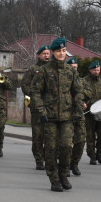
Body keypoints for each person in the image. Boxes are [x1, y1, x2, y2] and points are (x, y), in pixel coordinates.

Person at [30, 37, 84, 192]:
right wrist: (41, 111)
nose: (61, 53)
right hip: (50, 117)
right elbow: (36, 92)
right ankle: (54, 179)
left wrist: (78, 110)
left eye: (63, 50)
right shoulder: (45, 71)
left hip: (67, 117)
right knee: (51, 149)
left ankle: (63, 175)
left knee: (67, 146)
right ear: (53, 52)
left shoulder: (71, 71)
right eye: (58, 51)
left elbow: (78, 92)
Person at [21, 45, 51, 170]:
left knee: (50, 134)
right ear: (38, 55)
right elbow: (24, 85)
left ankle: (47, 156)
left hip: (51, 107)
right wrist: (34, 96)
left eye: (48, 53)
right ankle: (39, 159)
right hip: (37, 107)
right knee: (38, 135)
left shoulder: (52, 68)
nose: (46, 55)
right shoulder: (33, 69)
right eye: (44, 53)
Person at [81, 59, 101, 165]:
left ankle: (99, 153)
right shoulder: (84, 81)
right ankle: (92, 156)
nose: (96, 72)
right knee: (90, 135)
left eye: (98, 70)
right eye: (94, 70)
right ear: (90, 70)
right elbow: (79, 94)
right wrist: (83, 103)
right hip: (89, 112)